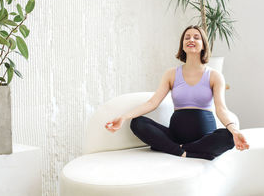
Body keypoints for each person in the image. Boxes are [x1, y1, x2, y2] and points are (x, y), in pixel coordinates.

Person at [105, 25, 249, 160]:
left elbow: (221, 109)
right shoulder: (171, 74)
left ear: (204, 44)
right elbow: (152, 103)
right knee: (137, 123)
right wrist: (123, 117)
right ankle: (187, 152)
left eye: (196, 37)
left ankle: (178, 150)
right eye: (187, 37)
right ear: (182, 45)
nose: (191, 39)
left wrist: (234, 130)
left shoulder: (214, 76)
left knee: (228, 137)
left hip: (204, 137)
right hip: (175, 135)